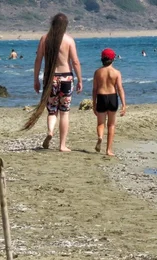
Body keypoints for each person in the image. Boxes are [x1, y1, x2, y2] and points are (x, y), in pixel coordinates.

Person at [24, 12, 82, 152]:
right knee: (65, 112)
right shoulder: (68, 40)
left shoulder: (45, 39)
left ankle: (50, 132)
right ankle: (62, 145)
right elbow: (75, 62)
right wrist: (80, 79)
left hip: (51, 78)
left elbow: (38, 60)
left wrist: (36, 79)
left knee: (52, 110)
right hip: (66, 77)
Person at [92, 48, 126, 157]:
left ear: (102, 59)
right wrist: (124, 104)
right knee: (111, 124)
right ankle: (109, 150)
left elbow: (95, 89)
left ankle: (100, 137)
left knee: (101, 123)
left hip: (101, 96)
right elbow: (120, 88)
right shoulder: (116, 73)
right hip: (112, 97)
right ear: (113, 59)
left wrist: (94, 103)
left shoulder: (97, 72)